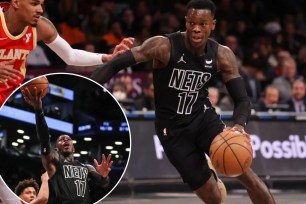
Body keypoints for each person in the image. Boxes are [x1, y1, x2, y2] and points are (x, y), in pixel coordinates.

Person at [90, 0, 276, 203]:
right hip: (172, 130)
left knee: (251, 179)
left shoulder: (223, 55)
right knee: (214, 198)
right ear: (186, 22)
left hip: (204, 119)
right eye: (192, 23)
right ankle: (210, 176)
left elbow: (242, 99)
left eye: (203, 24)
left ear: (213, 25)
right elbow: (116, 64)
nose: (196, 29)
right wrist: (85, 85)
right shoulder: (163, 46)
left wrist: (239, 125)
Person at [0, 1, 134, 106]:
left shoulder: (41, 27)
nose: (40, 10)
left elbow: (70, 56)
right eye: (34, 4)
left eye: (41, 4)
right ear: (16, 2)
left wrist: (107, 57)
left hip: (9, 99)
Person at [21, 89, 113, 204]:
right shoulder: (54, 163)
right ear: (56, 149)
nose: (65, 140)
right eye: (61, 139)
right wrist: (38, 109)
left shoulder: (87, 167)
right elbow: (44, 139)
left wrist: (104, 176)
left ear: (73, 148)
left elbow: (103, 184)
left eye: (68, 139)